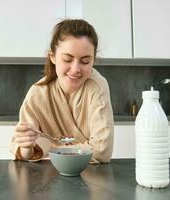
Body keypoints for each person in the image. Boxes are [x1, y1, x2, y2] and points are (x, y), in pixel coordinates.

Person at [9, 19, 114, 163]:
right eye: (67, 59)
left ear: (93, 60)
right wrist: (27, 147)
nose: (76, 69)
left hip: (89, 178)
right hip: (46, 181)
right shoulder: (37, 94)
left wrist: (51, 148)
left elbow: (102, 150)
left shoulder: (97, 87)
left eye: (85, 61)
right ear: (52, 56)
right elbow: (24, 150)